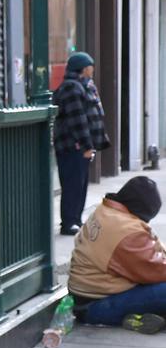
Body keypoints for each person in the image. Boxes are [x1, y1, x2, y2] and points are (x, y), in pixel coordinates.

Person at [69, 175, 166, 333]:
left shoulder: (106, 210)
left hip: (85, 300)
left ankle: (137, 317)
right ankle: (133, 315)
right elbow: (157, 271)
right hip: (96, 307)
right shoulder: (127, 231)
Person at [52, 51, 110, 236]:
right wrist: (86, 145)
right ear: (84, 68)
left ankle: (75, 219)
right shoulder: (71, 88)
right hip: (72, 146)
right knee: (72, 185)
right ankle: (68, 222)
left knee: (81, 184)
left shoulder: (85, 86)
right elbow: (78, 120)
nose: (92, 69)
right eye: (90, 66)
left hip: (81, 146)